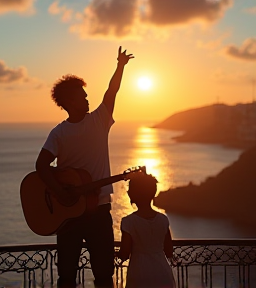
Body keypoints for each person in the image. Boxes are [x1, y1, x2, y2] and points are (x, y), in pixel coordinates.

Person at [35, 46, 134, 288]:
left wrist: (120, 66)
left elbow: (112, 91)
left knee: (103, 274)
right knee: (66, 276)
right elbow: (41, 165)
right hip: (68, 214)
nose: (88, 98)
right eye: (83, 95)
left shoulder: (99, 120)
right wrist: (59, 193)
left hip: (98, 209)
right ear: (69, 101)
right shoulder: (58, 133)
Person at [118, 173, 176, 288]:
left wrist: (113, 254)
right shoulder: (163, 219)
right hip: (162, 271)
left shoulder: (128, 222)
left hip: (139, 272)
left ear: (135, 194)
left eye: (130, 189)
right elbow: (169, 250)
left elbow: (124, 253)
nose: (128, 192)